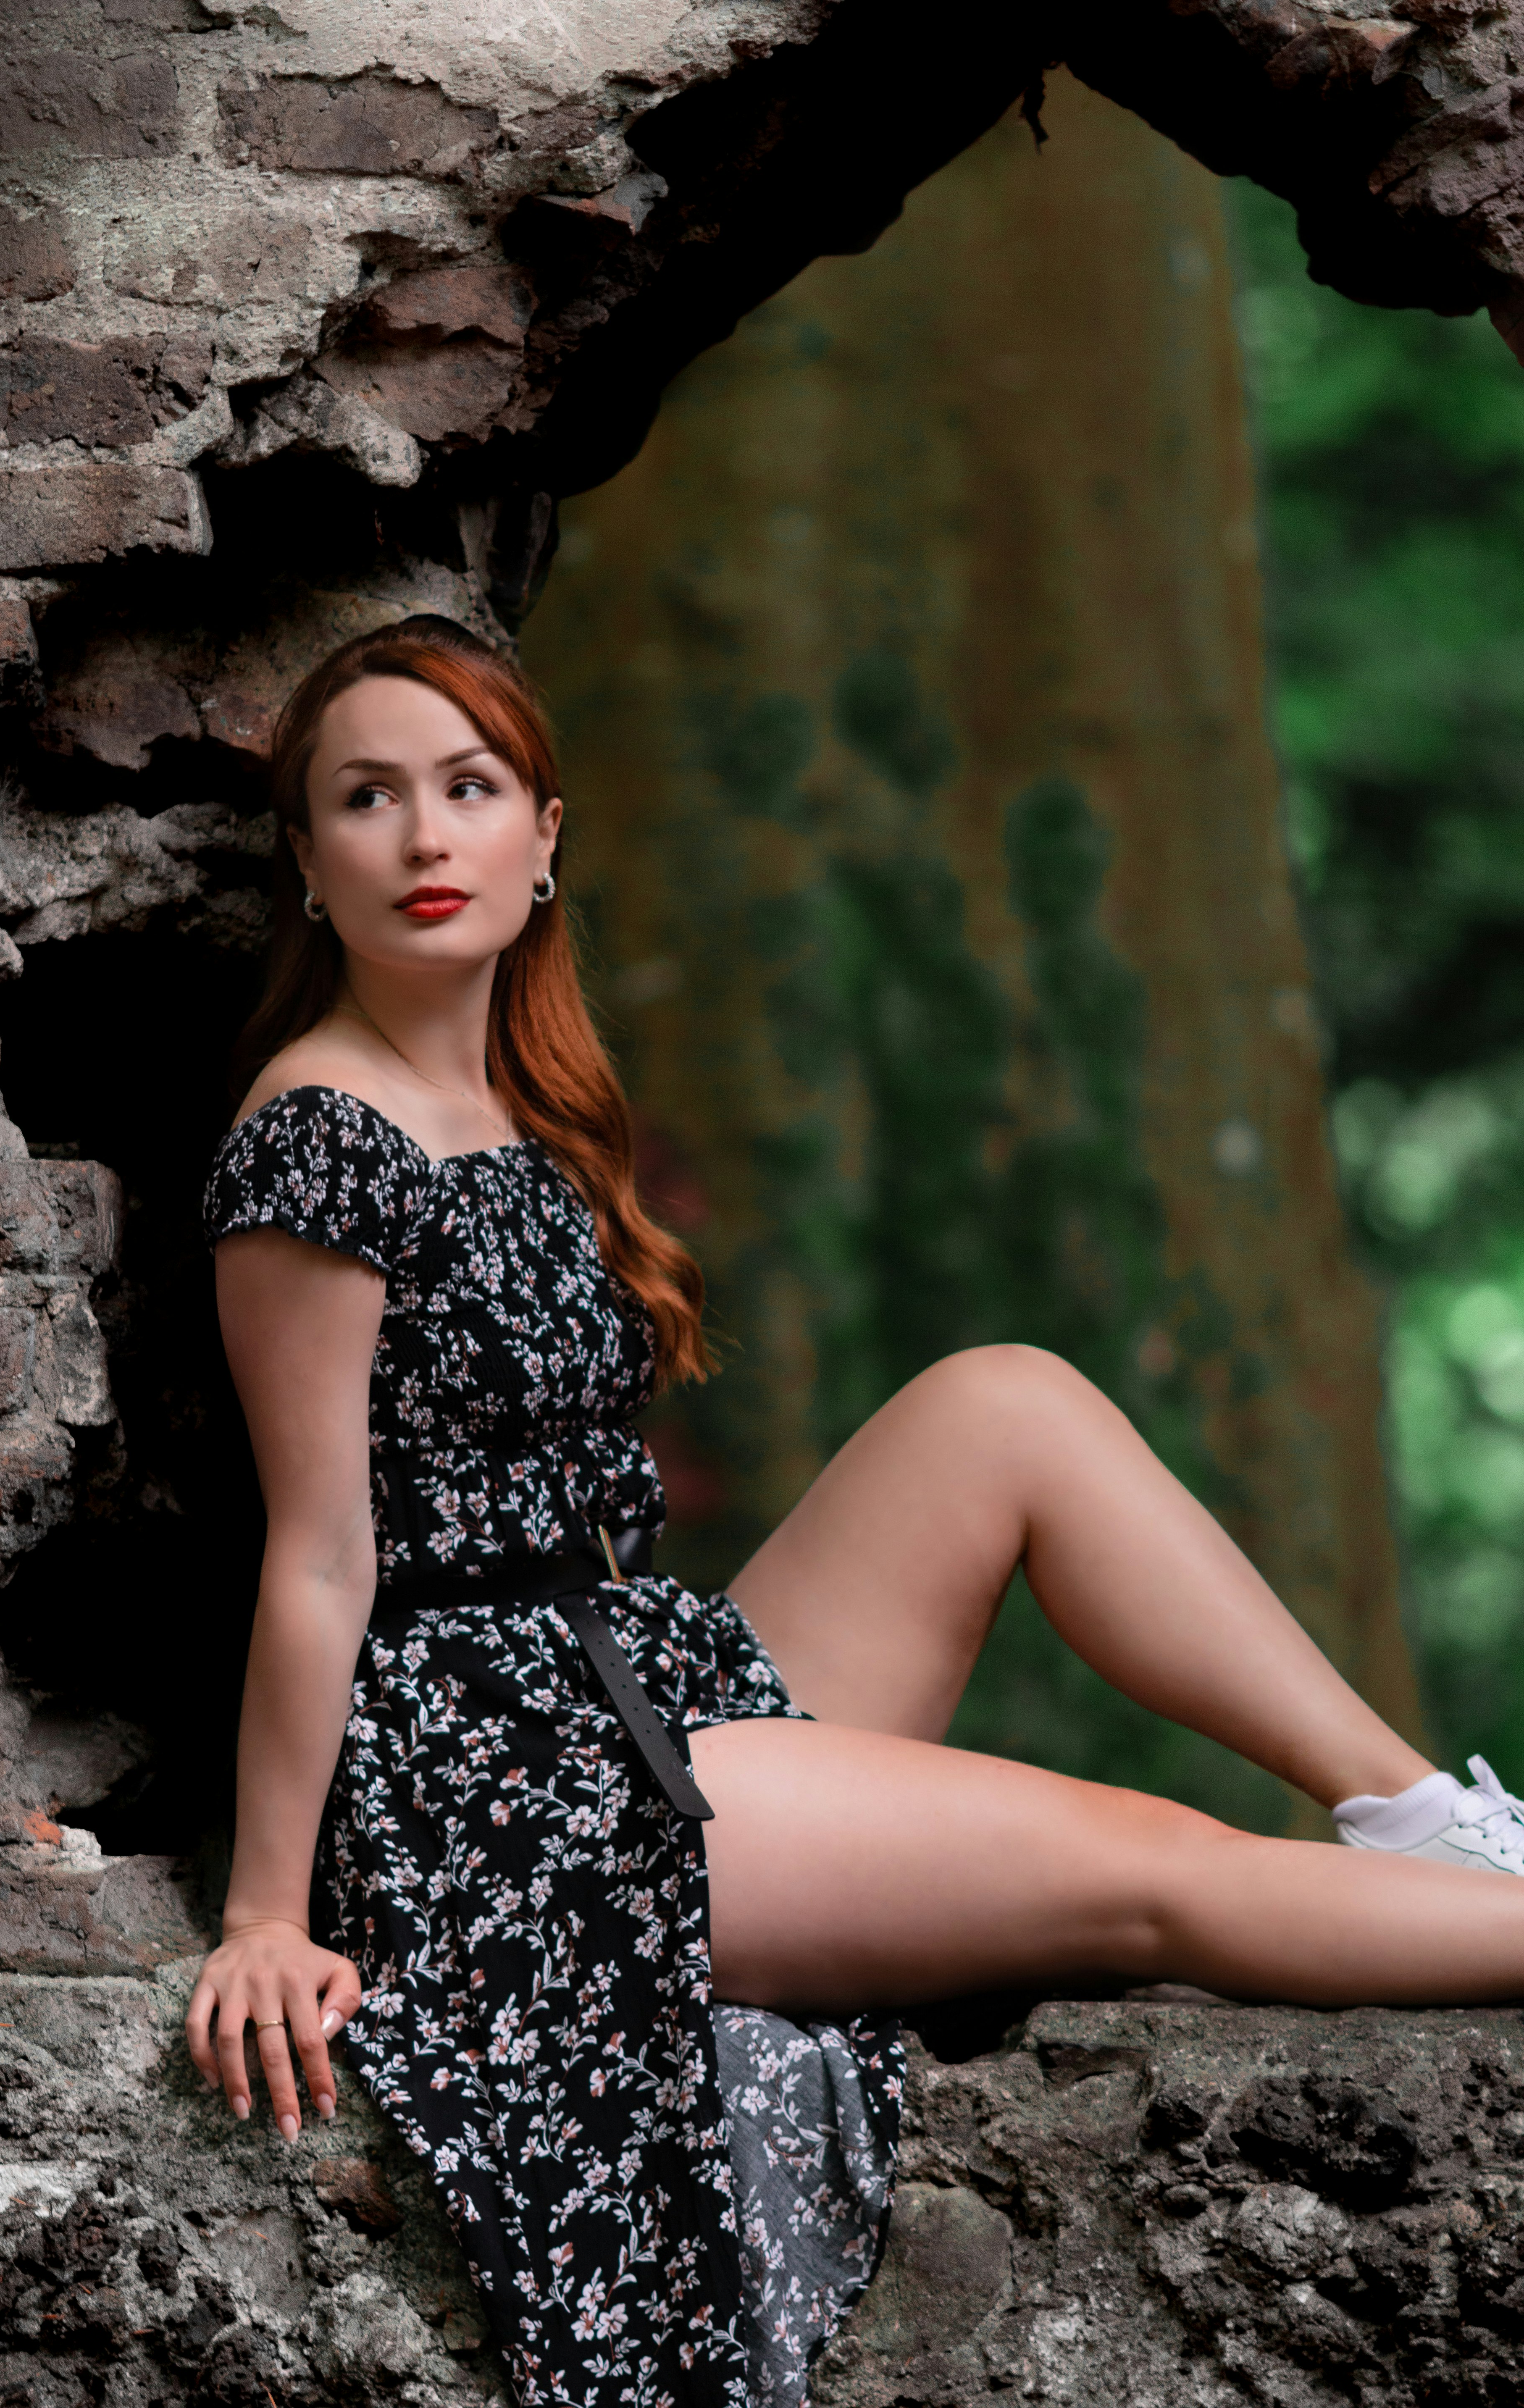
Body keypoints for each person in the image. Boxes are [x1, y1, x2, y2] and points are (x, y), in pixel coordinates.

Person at [188, 613, 1524, 2408]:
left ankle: (1421, 1820)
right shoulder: (315, 1139)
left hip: (625, 1671)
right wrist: (269, 1914)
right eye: (368, 799)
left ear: (544, 833)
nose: (426, 841)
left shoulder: (514, 1104)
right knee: (1139, 1871)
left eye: (468, 788)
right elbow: (321, 1555)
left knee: (1006, 1405)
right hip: (502, 1785)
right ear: (306, 861)